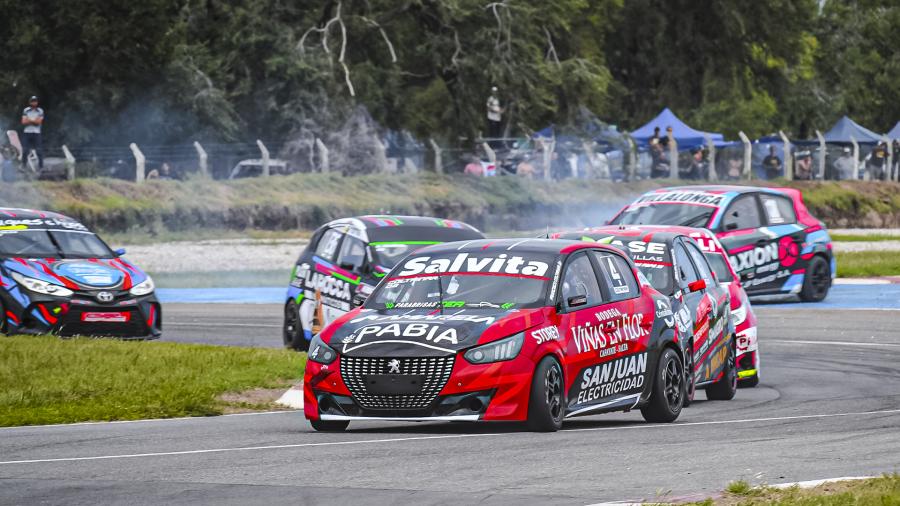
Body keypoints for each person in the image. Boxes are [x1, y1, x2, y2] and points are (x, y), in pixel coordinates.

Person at [20, 96, 44, 169]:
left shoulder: (40, 110)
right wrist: (34, 120)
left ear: (37, 102)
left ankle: (41, 167)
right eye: (32, 101)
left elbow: (39, 122)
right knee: (25, 150)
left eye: (35, 101)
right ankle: (23, 166)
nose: (34, 102)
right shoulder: (26, 110)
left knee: (39, 150)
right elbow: (23, 122)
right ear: (30, 102)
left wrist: (29, 120)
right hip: (27, 132)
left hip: (37, 133)